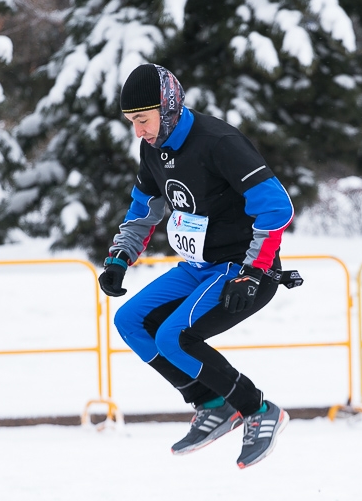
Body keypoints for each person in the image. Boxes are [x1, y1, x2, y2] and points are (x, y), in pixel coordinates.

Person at [98, 63, 299, 469]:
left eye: (143, 120)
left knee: (175, 336)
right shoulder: (153, 148)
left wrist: (254, 271)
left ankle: (257, 409)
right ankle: (210, 403)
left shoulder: (218, 141)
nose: (138, 131)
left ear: (168, 109)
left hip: (241, 269)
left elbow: (277, 206)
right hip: (198, 265)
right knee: (131, 321)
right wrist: (121, 255)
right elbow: (144, 208)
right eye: (131, 122)